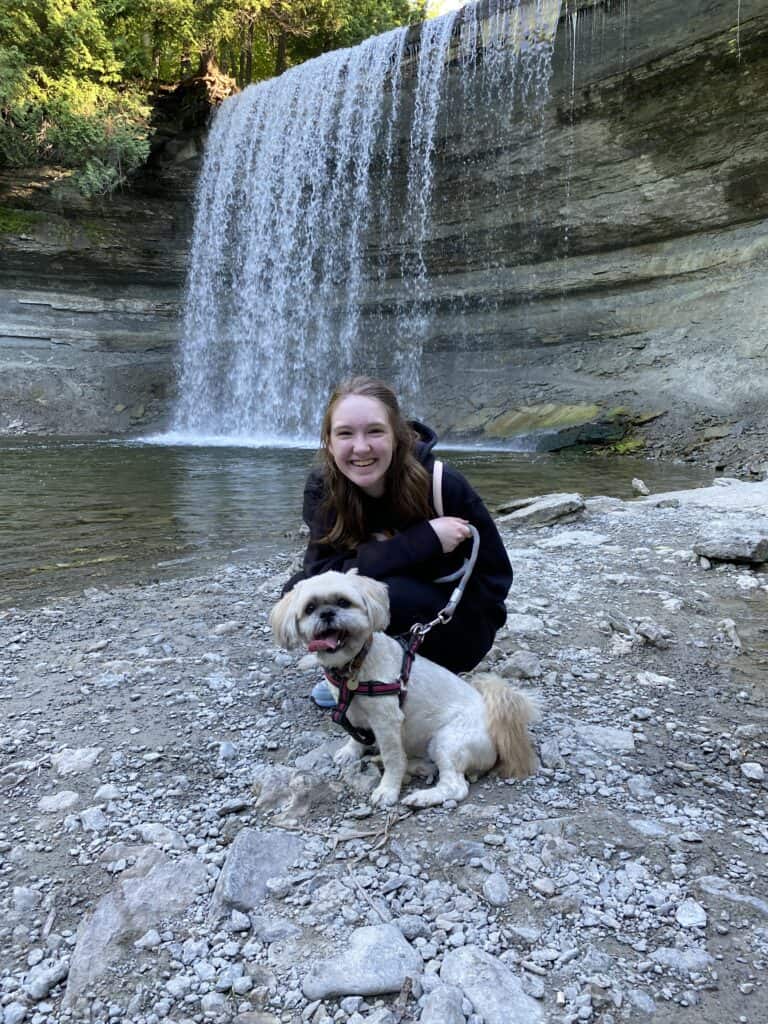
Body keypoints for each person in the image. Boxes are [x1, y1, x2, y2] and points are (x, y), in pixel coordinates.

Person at [284, 376, 513, 706]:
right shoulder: (324, 488)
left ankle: (407, 676)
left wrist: (463, 625)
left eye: (375, 431)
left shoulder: (442, 484)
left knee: (392, 593)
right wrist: (424, 541)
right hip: (390, 613)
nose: (361, 448)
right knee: (298, 590)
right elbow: (320, 572)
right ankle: (354, 670)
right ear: (329, 442)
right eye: (345, 433)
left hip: (451, 623)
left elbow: (496, 579)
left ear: (398, 436)